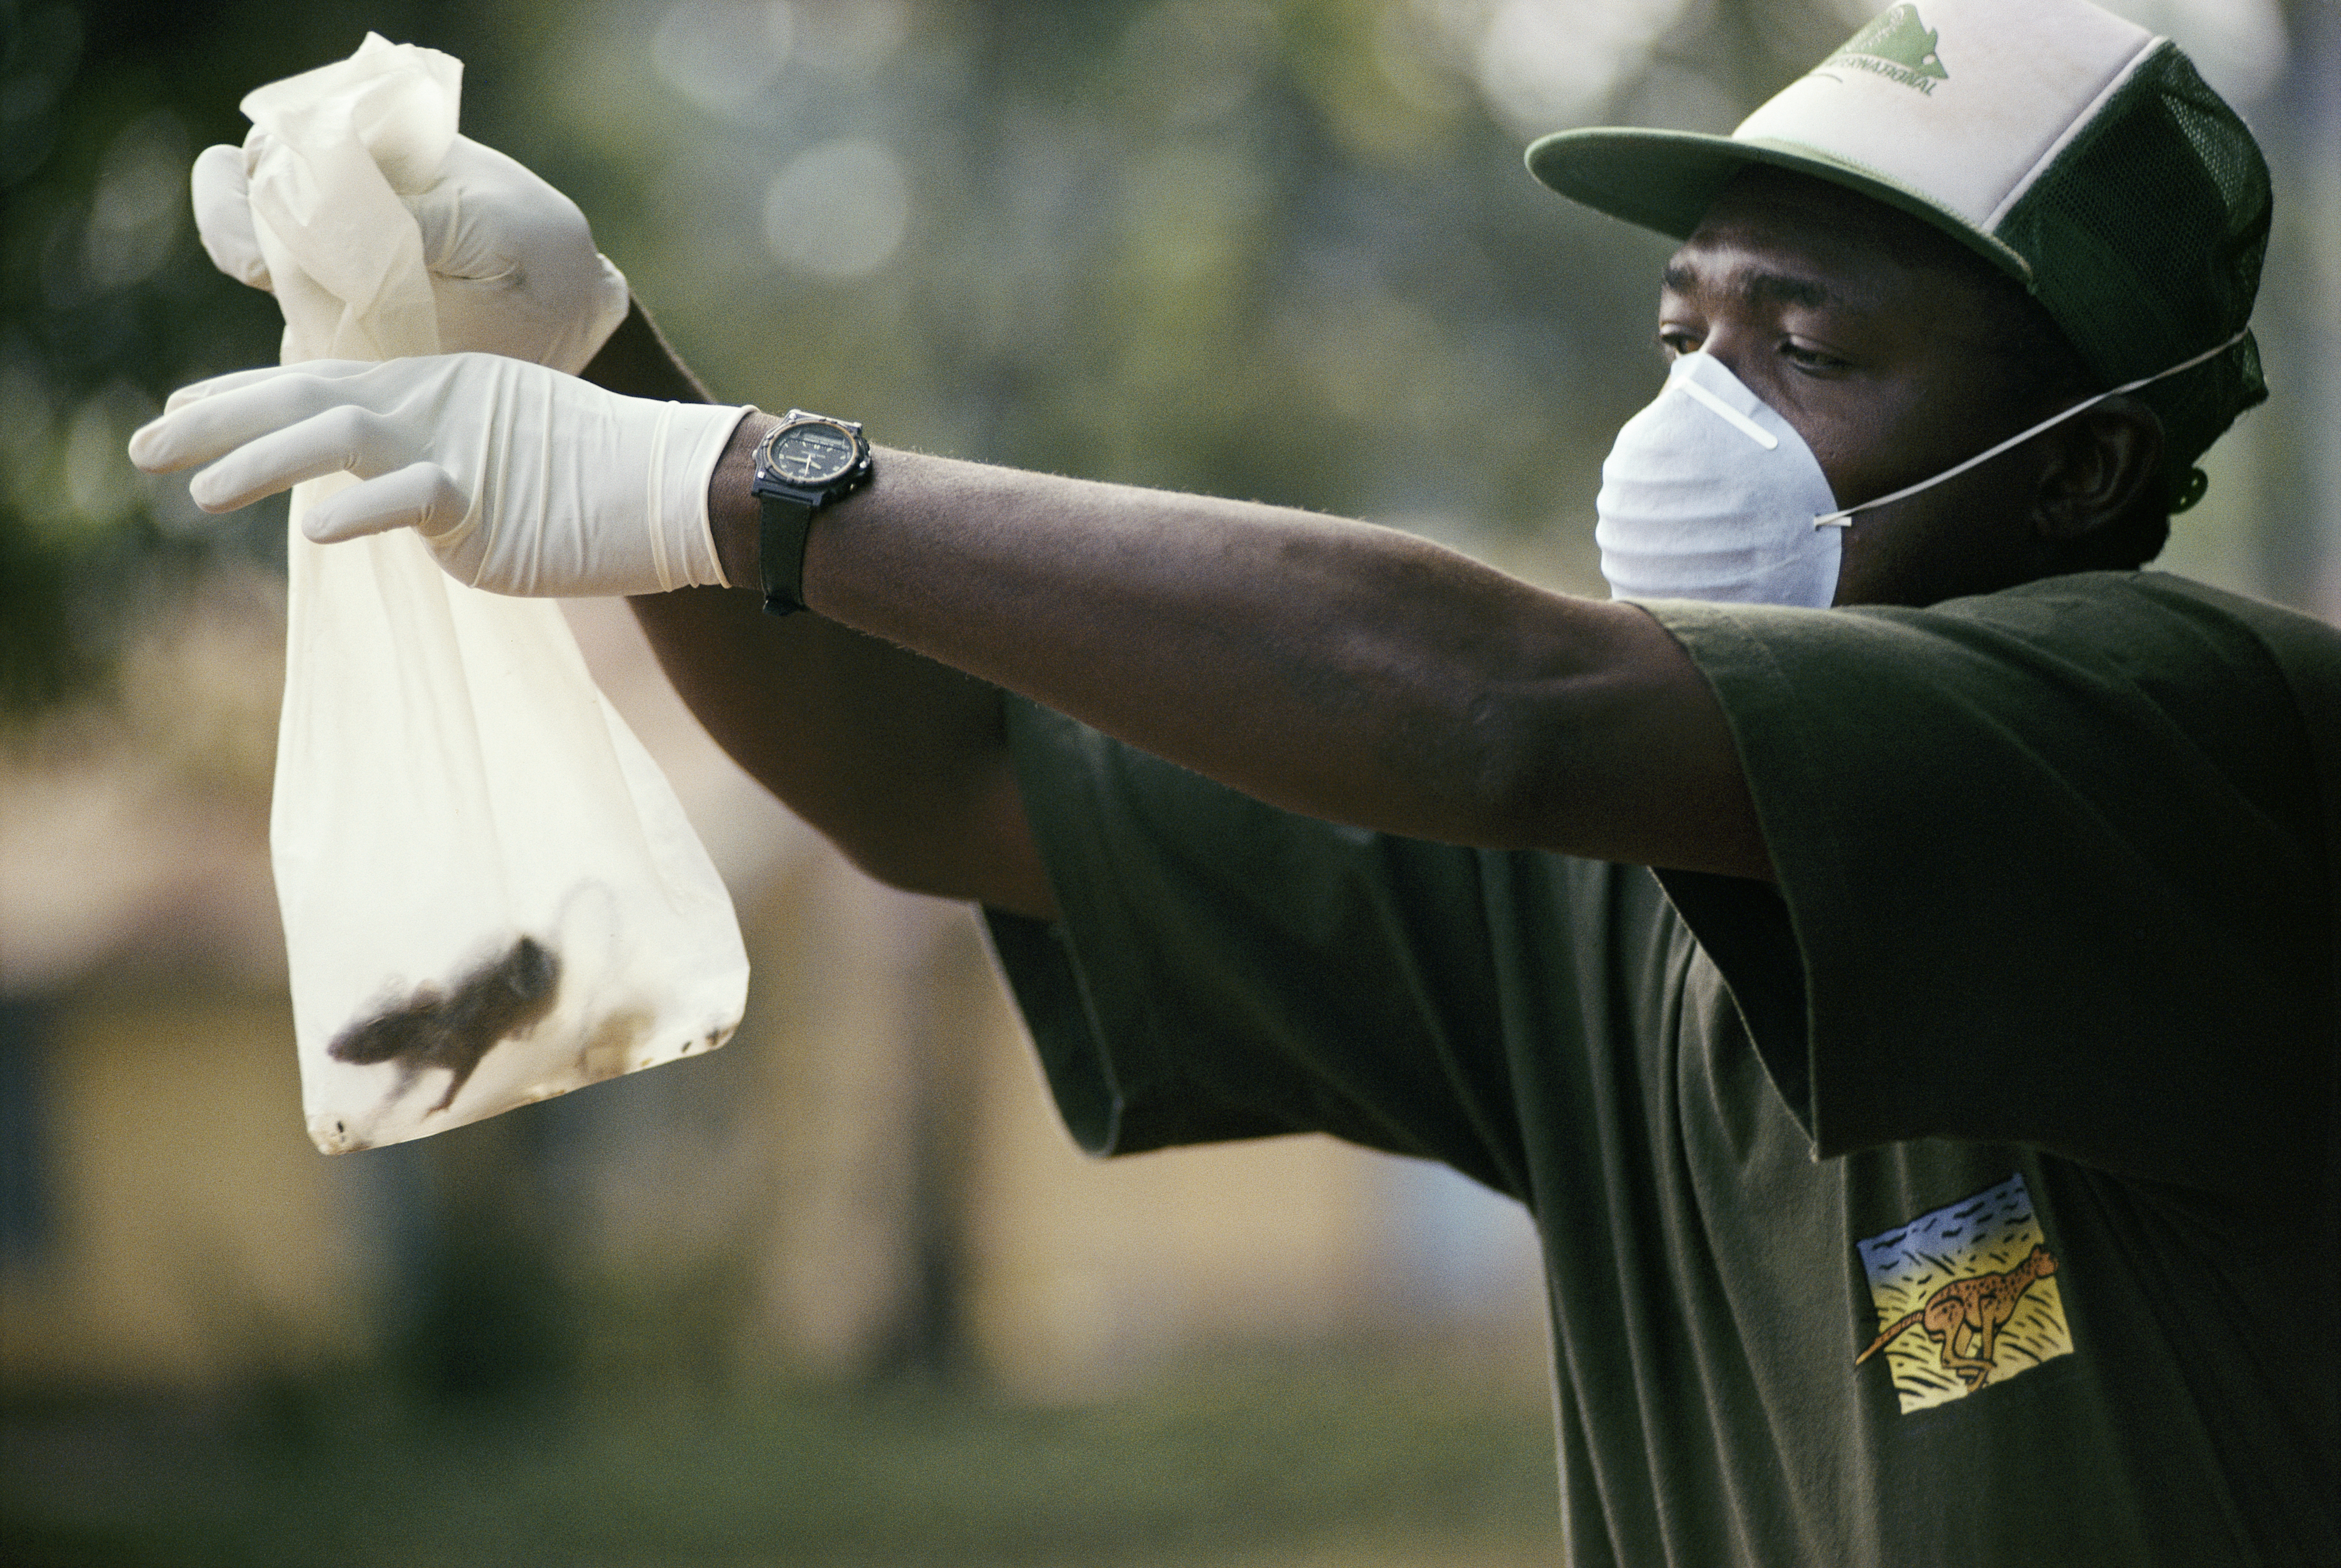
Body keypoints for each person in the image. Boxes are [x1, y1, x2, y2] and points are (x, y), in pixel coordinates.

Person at [134, 0, 2337, 1562]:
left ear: (2083, 474)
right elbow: (951, 775)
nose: (1704, 406)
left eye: (1812, 349)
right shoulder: (1602, 880)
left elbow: (1494, 698)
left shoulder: (2196, 748)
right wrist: (594, 356)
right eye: (1686, 328)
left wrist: (738, 482)